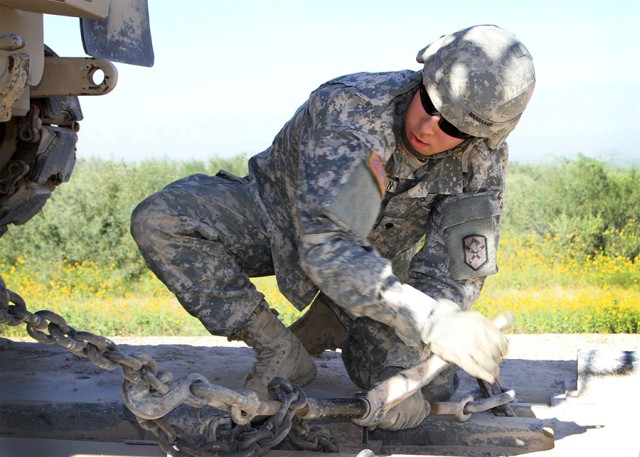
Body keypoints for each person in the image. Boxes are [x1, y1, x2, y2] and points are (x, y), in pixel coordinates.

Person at [130, 24, 535, 430]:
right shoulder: (352, 110)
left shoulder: (481, 159)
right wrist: (430, 320)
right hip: (276, 219)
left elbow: (454, 267)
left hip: (376, 271)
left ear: (481, 135)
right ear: (423, 78)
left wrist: (417, 365)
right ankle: (278, 348)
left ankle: (337, 316)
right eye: (428, 102)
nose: (429, 126)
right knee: (163, 221)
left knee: (432, 385)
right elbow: (330, 246)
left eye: (452, 127)